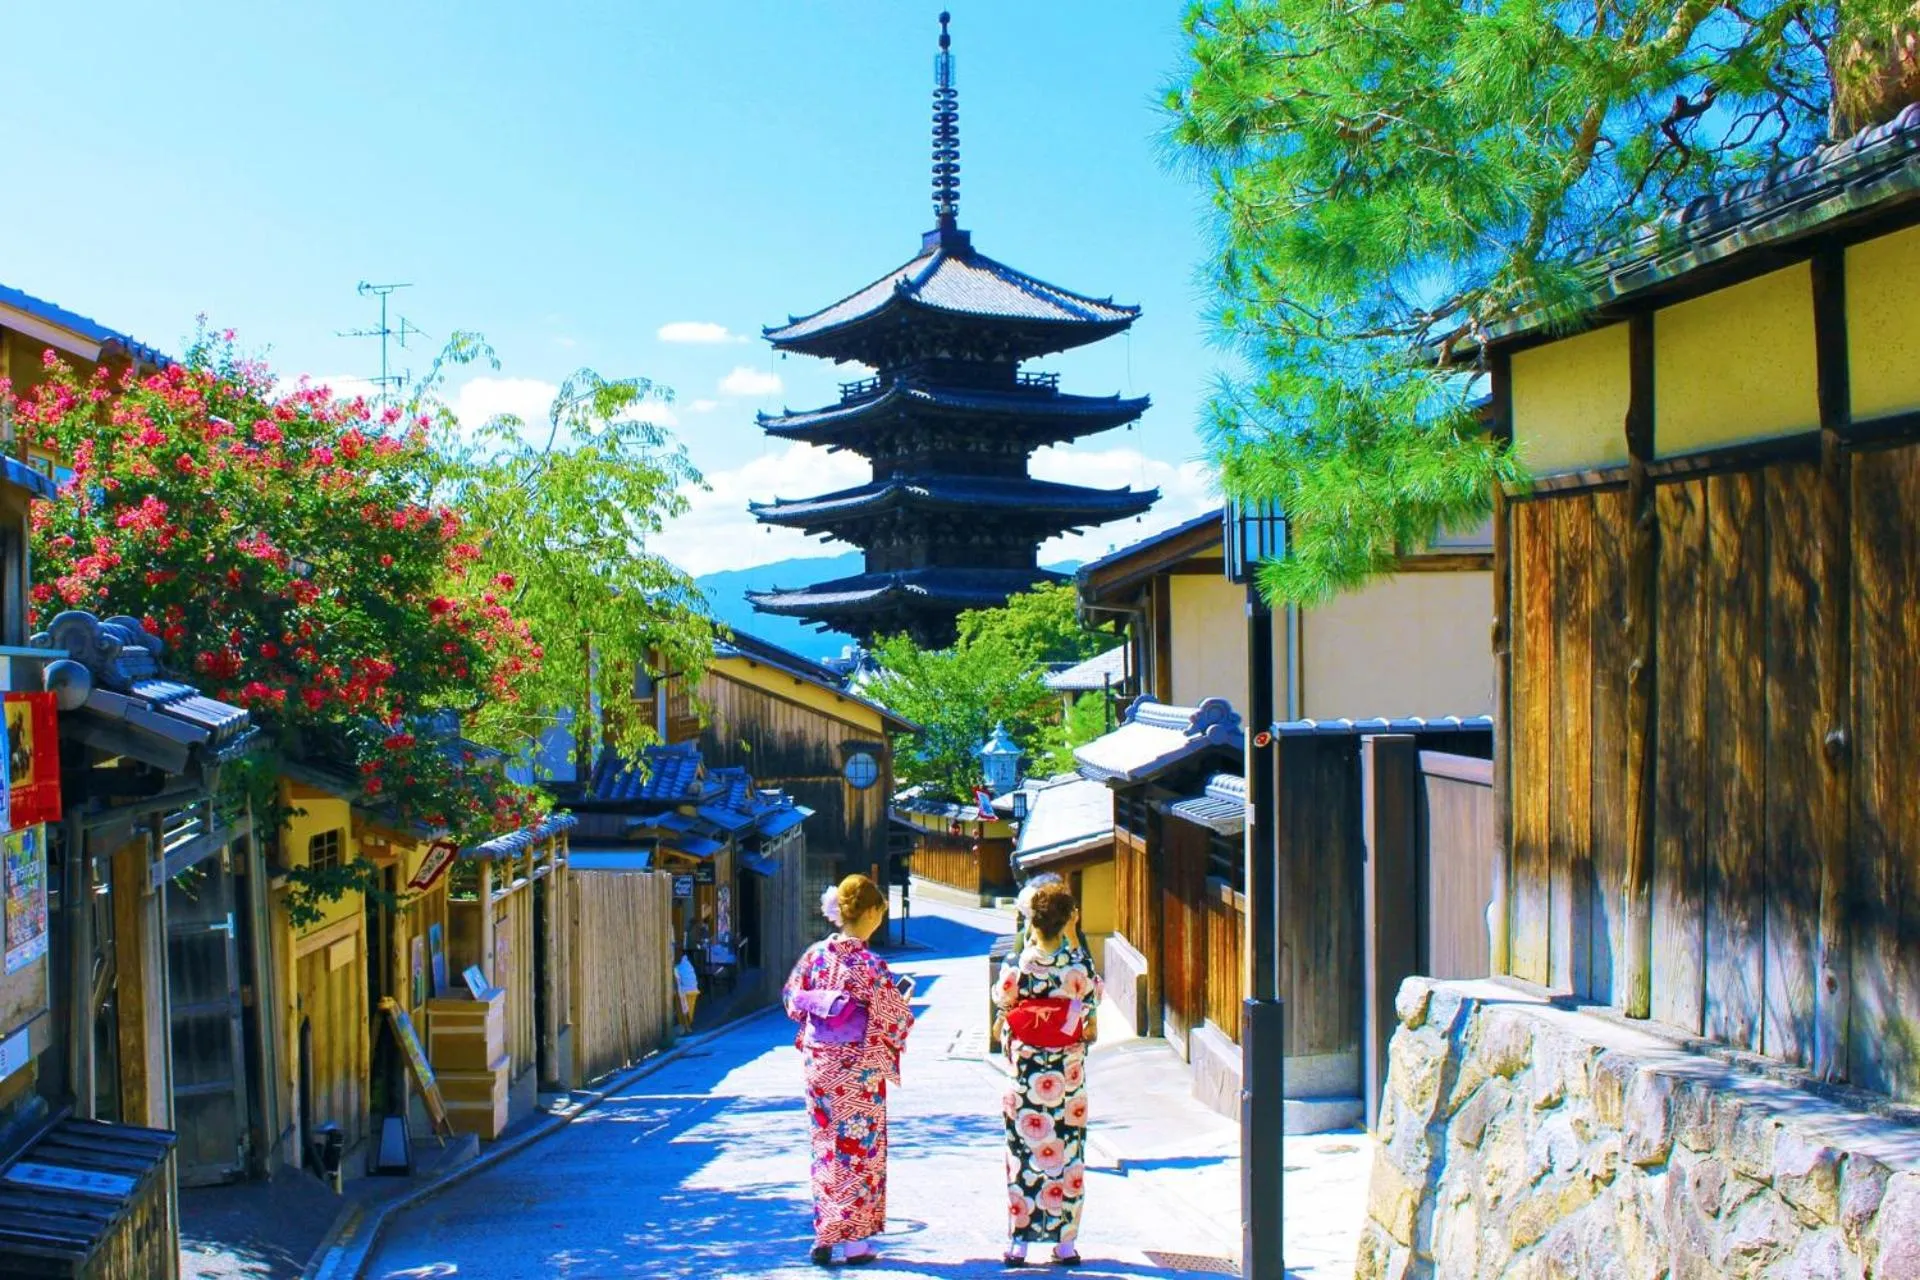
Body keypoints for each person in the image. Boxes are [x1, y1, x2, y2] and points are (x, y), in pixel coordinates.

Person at [784, 875, 915, 1268]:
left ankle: (824, 1234)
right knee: (858, 1151)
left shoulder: (814, 956)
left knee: (826, 1147)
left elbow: (792, 1000)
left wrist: (823, 1006)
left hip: (819, 1063)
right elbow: (893, 1021)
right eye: (880, 912)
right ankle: (855, 1243)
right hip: (857, 1068)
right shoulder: (870, 965)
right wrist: (902, 1004)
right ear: (870, 912)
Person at [993, 881, 1101, 1267]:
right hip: (1066, 1076)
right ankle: (1065, 1243)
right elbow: (1091, 1006)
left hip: (1026, 1074)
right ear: (1069, 918)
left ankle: (1018, 1242)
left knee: (1023, 1153)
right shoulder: (1079, 966)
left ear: (1031, 920)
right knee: (1068, 1153)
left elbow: (1003, 1000)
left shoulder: (1017, 964)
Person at [673, 950, 699, 1032]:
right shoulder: (688, 964)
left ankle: (685, 1024)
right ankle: (687, 1024)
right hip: (693, 989)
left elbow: (677, 983)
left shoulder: (677, 968)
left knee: (683, 1007)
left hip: (684, 991)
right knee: (687, 1009)